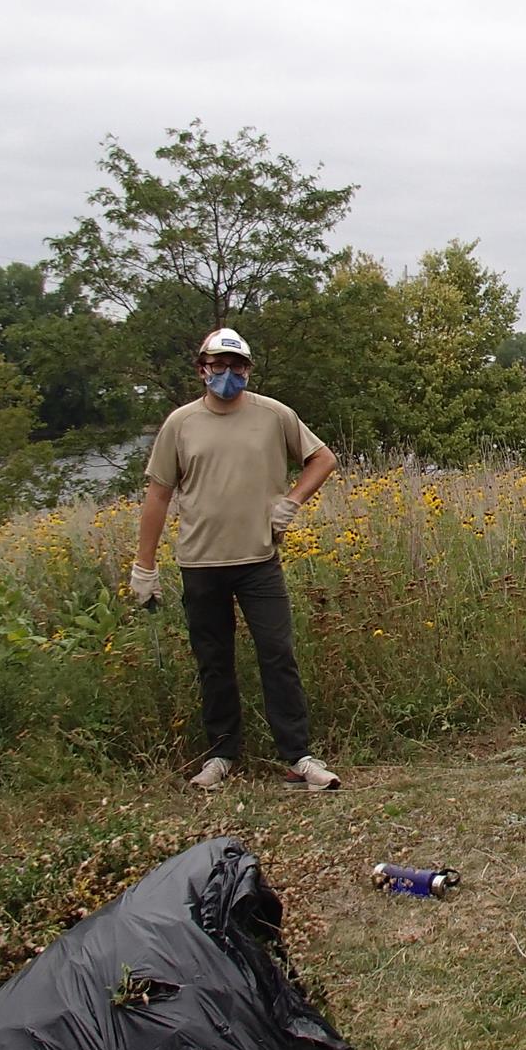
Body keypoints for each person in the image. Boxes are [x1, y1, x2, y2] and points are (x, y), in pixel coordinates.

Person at [130, 328, 342, 791]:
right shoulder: (181, 423)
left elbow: (323, 459)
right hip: (200, 563)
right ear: (202, 368)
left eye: (237, 365)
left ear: (248, 369)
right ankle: (221, 755)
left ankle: (298, 757)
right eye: (219, 365)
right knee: (214, 661)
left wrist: (292, 502)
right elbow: (158, 494)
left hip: (258, 560)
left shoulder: (274, 415)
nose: (228, 373)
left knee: (278, 654)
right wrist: (144, 565)